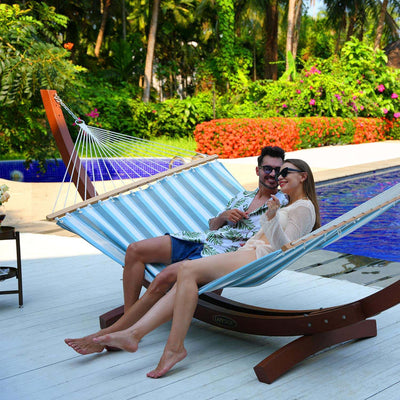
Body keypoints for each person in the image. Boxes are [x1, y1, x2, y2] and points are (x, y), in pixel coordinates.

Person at [91, 158, 321, 378]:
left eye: (284, 172)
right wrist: (269, 216)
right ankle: (137, 335)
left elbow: (285, 247)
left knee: (187, 270)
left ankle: (167, 346)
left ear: (303, 177)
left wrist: (270, 217)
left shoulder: (303, 207)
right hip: (247, 255)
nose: (279, 177)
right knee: (186, 274)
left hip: (258, 258)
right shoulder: (288, 204)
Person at [65, 146, 287, 355]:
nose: (273, 174)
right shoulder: (243, 196)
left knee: (163, 278)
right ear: (258, 170)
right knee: (134, 250)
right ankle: (128, 320)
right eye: (268, 168)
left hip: (217, 257)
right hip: (200, 239)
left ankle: (109, 334)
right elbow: (212, 225)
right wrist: (223, 216)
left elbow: (281, 234)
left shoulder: (282, 203)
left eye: (278, 170)